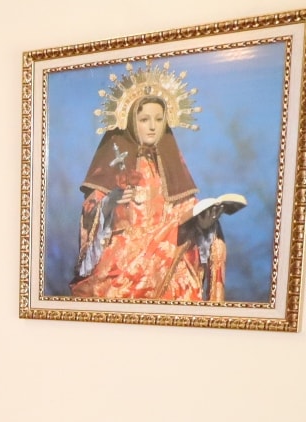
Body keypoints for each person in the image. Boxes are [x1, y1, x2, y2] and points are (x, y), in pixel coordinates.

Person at [71, 94, 214, 301]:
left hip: (165, 262)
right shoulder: (113, 164)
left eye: (159, 119)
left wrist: (202, 224)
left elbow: (185, 213)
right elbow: (90, 213)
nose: (153, 127)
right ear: (130, 121)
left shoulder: (169, 168)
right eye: (144, 120)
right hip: (123, 262)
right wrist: (111, 202)